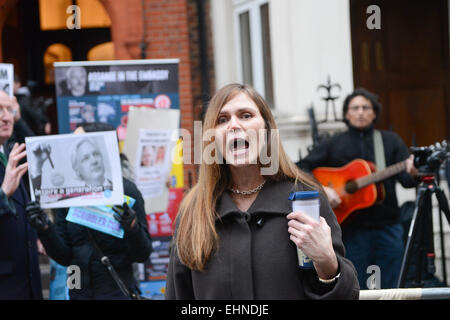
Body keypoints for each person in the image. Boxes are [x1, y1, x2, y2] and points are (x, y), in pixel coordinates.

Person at [165, 83, 359, 300]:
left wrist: (327, 263)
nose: (234, 125)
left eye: (246, 115)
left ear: (267, 129)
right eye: (222, 119)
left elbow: (345, 294)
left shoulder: (305, 198)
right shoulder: (194, 210)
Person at [297, 87, 419, 289]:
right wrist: (323, 189)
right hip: (351, 230)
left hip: (387, 227)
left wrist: (414, 172)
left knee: (392, 284)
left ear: (374, 112)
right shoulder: (333, 143)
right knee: (356, 285)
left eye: (365, 107)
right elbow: (301, 167)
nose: (361, 112)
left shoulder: (390, 141)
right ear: (346, 114)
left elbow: (406, 180)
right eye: (355, 108)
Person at [26, 122, 152, 300]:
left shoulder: (127, 191)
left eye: (95, 154)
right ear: (76, 166)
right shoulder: (67, 196)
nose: (92, 160)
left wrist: (132, 228)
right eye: (85, 158)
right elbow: (64, 257)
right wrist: (45, 229)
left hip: (116, 291)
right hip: (78, 290)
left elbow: (142, 254)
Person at [0, 90, 43, 299]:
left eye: (9, 109)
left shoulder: (9, 154)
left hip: (27, 284)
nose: (6, 116)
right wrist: (2, 194)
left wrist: (34, 235)